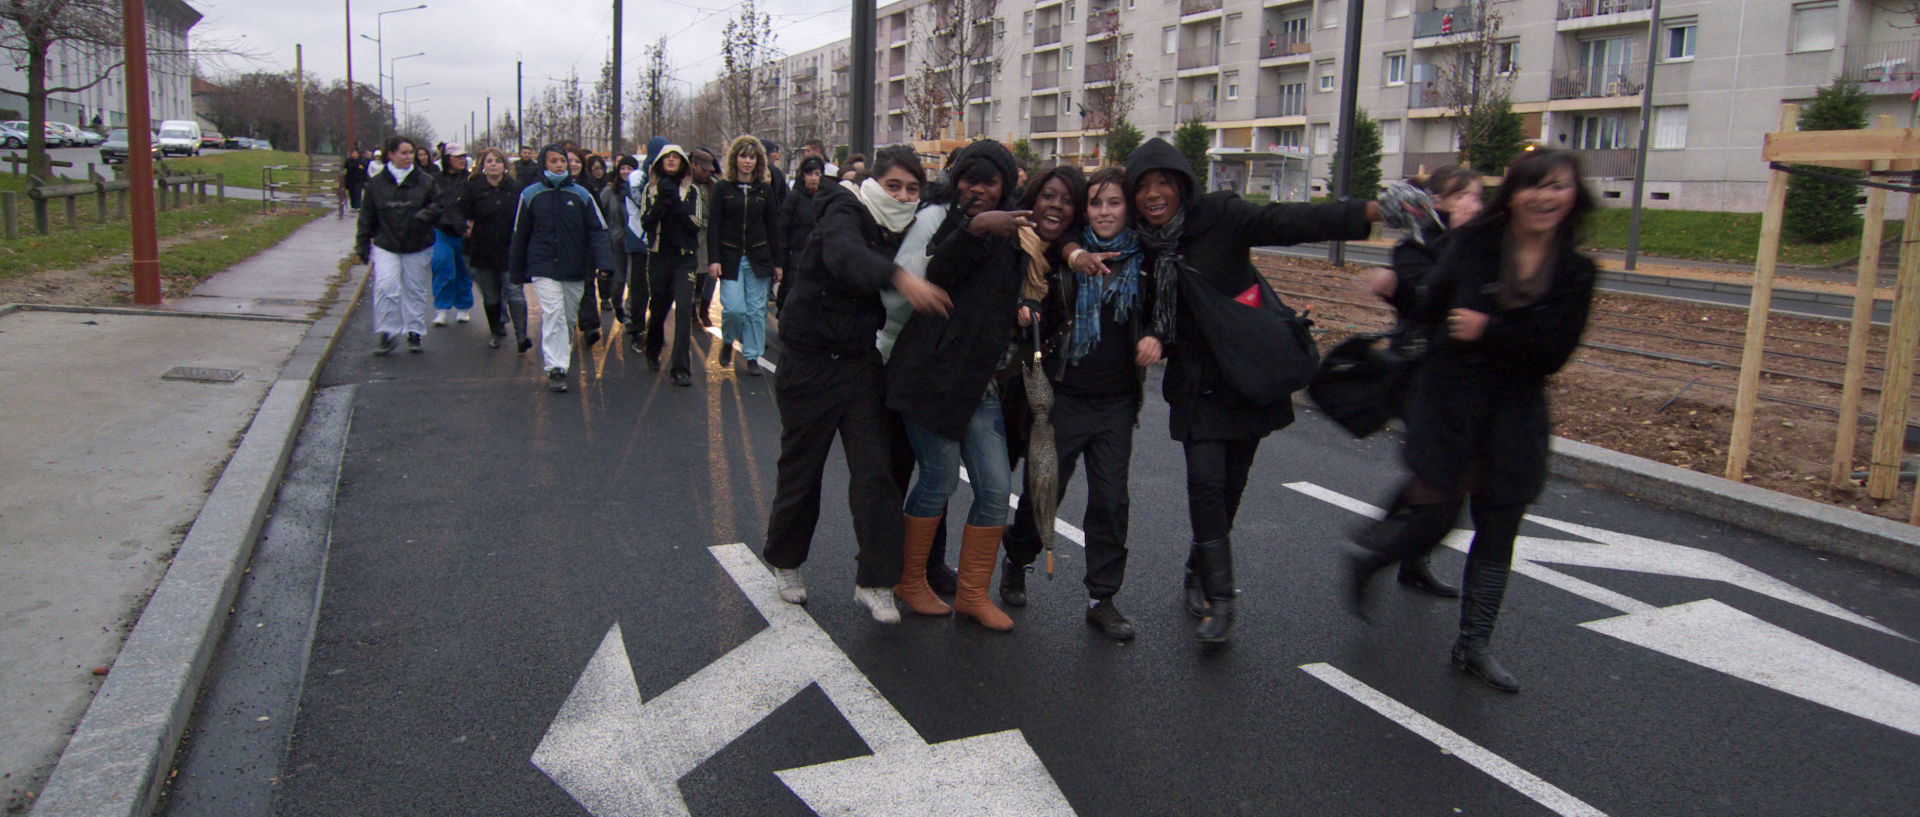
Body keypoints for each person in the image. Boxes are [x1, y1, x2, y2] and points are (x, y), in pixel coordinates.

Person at [1066, 138, 1417, 644]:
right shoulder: (1138, 241)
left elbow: (1288, 221)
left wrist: (1370, 209)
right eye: (1142, 186)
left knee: (1230, 488)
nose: (1153, 194)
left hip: (1246, 374)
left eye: (1163, 181)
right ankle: (1222, 599)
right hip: (1195, 384)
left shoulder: (1220, 216)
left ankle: (1197, 570)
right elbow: (1089, 255)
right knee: (1205, 484)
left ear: (1183, 183)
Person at [1344, 150, 1597, 693]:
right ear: (1516, 194)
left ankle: (1474, 644)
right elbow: (1431, 309)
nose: (1547, 197)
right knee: (1436, 517)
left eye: (1560, 187)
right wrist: (1398, 289)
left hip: (1516, 413)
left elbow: (1555, 351)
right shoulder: (1476, 243)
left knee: (1499, 526)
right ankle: (1370, 560)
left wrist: (1490, 330)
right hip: (1452, 403)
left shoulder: (1577, 271)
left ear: (1574, 197)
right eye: (1536, 186)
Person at [761, 146, 952, 623]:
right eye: (894, 186)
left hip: (860, 362)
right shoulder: (842, 211)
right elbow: (846, 256)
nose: (903, 196)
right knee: (802, 471)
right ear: (874, 184)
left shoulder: (906, 226)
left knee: (876, 474)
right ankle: (786, 563)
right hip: (807, 363)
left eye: (912, 189)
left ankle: (876, 581)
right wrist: (900, 279)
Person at [1000, 165, 1155, 640]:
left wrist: (1155, 336)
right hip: (1063, 396)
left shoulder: (1143, 258)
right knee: (1044, 493)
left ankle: (1102, 598)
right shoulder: (1062, 249)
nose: (1104, 212)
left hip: (1116, 403)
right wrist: (1033, 311)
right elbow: (1039, 292)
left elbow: (1160, 310)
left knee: (1111, 502)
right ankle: (1018, 557)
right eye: (1096, 203)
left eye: (1114, 203)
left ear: (1127, 208)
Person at [886, 140, 1034, 632]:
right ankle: (910, 580)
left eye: (989, 181)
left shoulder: (1015, 233)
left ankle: (972, 594)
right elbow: (935, 274)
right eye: (971, 179)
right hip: (931, 375)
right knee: (940, 478)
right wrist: (971, 230)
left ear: (1006, 186)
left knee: (996, 488)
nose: (978, 189)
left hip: (981, 381)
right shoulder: (942, 220)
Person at [1351, 164, 1485, 599]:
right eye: (1466, 195)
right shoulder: (1413, 248)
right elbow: (1431, 299)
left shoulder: (1477, 243)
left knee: (1439, 475)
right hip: (1423, 376)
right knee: (1438, 475)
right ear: (1439, 202)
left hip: (1463, 377)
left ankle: (1402, 554)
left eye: (1480, 197)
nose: (1475, 205)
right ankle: (1380, 544)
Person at [509, 144, 617, 393]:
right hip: (544, 264)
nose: (559, 165)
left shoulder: (581, 194)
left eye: (562, 161)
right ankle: (556, 367)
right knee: (553, 312)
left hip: (575, 265)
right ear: (543, 164)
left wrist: (604, 263)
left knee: (568, 316)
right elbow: (520, 234)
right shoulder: (530, 195)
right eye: (554, 161)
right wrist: (516, 271)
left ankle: (561, 348)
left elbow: (598, 231)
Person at [354, 135, 440, 355]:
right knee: (386, 286)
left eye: (411, 153)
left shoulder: (425, 181)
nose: (409, 157)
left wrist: (425, 215)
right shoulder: (376, 184)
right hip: (387, 243)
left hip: (417, 243)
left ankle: (414, 331)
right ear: (390, 155)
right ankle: (387, 332)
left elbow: (439, 206)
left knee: (415, 289)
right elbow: (367, 216)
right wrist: (362, 244)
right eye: (403, 153)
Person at [708, 134, 783, 376]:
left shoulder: (764, 190)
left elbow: (773, 226)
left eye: (752, 157)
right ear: (735, 159)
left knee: (757, 310)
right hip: (730, 257)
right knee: (734, 309)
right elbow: (714, 226)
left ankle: (752, 355)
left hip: (759, 257)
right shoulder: (722, 189)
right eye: (743, 156)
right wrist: (714, 259)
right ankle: (729, 340)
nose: (747, 162)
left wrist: (778, 263)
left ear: (758, 161)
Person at [640, 144, 705, 386]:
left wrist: (676, 203)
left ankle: (681, 367)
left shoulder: (692, 191)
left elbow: (696, 223)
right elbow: (645, 221)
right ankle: (652, 347)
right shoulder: (651, 189)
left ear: (683, 163)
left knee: (685, 310)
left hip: (685, 257)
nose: (671, 160)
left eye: (676, 157)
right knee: (658, 307)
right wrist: (661, 203)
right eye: (667, 157)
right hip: (659, 255)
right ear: (659, 162)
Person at [460, 147, 530, 352]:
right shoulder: (473, 188)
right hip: (483, 249)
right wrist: (465, 226)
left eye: (497, 161)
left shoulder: (516, 188)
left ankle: (521, 335)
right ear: (482, 165)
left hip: (509, 248)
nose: (493, 165)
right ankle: (496, 330)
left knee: (514, 292)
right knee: (491, 296)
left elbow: (524, 216)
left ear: (505, 165)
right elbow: (461, 213)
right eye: (489, 161)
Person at [429, 143, 474, 326]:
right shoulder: (435, 180)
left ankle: (463, 307)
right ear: (447, 159)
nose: (462, 160)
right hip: (442, 231)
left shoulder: (471, 180)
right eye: (457, 157)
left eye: (463, 156)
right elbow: (431, 203)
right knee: (442, 267)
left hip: (465, 232)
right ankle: (442, 308)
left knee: (464, 270)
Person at [775, 155, 826, 317]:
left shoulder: (826, 198)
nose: (813, 178)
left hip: (819, 256)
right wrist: (781, 261)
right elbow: (783, 230)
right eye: (810, 174)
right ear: (803, 175)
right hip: (796, 255)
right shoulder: (794, 198)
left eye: (817, 174)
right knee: (793, 293)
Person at [567, 149, 604, 347]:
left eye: (577, 162)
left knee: (587, 285)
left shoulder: (589, 189)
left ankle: (590, 326)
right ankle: (567, 325)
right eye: (569, 161)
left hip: (585, 246)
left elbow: (599, 221)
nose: (573, 165)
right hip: (561, 248)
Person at [599, 154, 641, 326]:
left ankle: (630, 313)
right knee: (618, 281)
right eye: (622, 168)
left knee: (634, 281)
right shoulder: (609, 192)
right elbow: (600, 216)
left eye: (629, 168)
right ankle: (616, 304)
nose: (625, 172)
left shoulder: (639, 191)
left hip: (635, 241)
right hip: (615, 242)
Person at [689, 147, 722, 328]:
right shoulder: (686, 184)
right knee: (692, 276)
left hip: (712, 233)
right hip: (693, 234)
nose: (707, 173)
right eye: (703, 169)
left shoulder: (715, 186)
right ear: (694, 166)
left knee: (711, 276)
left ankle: (704, 308)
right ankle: (693, 312)